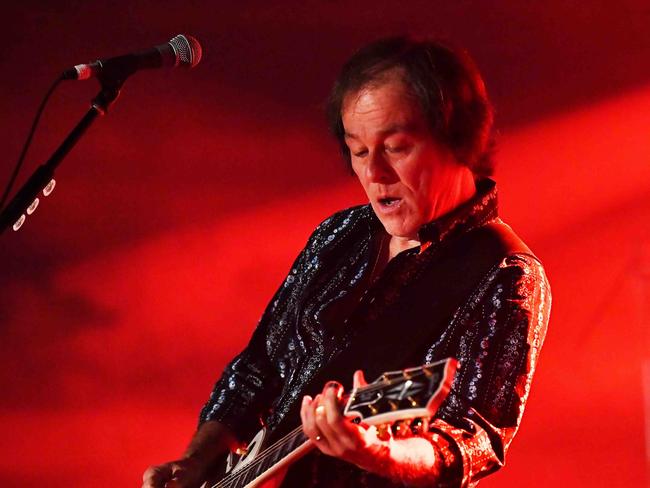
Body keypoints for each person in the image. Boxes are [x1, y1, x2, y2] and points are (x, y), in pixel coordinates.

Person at [143, 36, 551, 488]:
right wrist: (198, 459)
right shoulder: (340, 233)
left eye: (395, 147)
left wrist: (381, 455)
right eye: (359, 151)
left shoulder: (505, 274)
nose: (374, 173)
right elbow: (256, 368)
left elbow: (472, 439)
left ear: (458, 140)